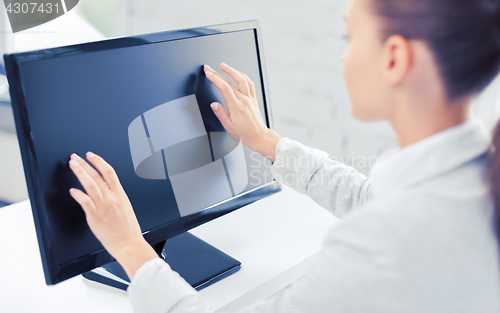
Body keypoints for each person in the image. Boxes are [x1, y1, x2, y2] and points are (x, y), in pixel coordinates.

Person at [67, 0, 500, 311]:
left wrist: (128, 245)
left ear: (394, 58)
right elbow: (367, 199)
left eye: (350, 37)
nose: (345, 55)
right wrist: (266, 141)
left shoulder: (386, 244)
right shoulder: (470, 178)